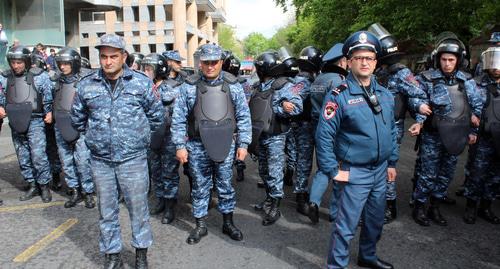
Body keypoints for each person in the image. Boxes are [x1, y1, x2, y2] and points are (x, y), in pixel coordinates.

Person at [71, 34, 164, 269]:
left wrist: (135, 137)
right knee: (107, 211)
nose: (108, 61)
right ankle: (112, 254)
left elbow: (156, 116)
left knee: (138, 209)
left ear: (124, 57)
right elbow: (77, 118)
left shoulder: (141, 83)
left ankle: (141, 253)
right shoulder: (86, 84)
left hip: (133, 159)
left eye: (113, 56)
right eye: (103, 56)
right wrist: (99, 137)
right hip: (101, 160)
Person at [316, 31, 397, 269]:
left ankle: (367, 256)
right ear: (349, 62)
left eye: (369, 58)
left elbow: (391, 129)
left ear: (375, 63)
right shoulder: (338, 95)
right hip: (354, 173)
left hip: (380, 171)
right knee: (345, 226)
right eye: (359, 57)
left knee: (374, 221)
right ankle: (336, 266)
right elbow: (324, 135)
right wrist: (332, 170)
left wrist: (391, 162)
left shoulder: (384, 94)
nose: (364, 62)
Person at [171, 44, 252, 244]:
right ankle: (200, 225)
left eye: (214, 62)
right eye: (206, 62)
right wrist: (180, 146)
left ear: (221, 63)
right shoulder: (189, 87)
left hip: (226, 142)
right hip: (198, 145)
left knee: (225, 184)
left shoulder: (233, 85)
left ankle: (228, 222)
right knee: (200, 186)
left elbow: (243, 116)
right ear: (200, 63)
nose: (209, 67)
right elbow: (179, 118)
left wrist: (243, 144)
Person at [409, 33, 483, 227]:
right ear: (437, 59)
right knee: (428, 173)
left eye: (451, 60)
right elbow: (417, 98)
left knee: (446, 173)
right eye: (444, 59)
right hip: (433, 136)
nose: (447, 63)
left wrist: (473, 133)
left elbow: (476, 108)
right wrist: (419, 112)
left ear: (459, 61)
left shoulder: (467, 81)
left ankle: (435, 206)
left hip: (456, 135)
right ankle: (419, 206)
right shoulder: (427, 79)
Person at [369, 23, 425, 223]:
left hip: (393, 125)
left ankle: (389, 206)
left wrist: (420, 119)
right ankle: (377, 201)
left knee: (387, 163)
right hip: (375, 124)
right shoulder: (380, 72)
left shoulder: (401, 73)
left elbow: (419, 96)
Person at [249, 50, 303, 226]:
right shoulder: (258, 86)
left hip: (276, 136)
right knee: (264, 171)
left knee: (274, 172)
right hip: (260, 135)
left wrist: (280, 108)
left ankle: (275, 206)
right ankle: (268, 199)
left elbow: (296, 108)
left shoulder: (284, 85)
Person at [0, 46, 54, 202]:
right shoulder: (4, 78)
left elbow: (47, 96)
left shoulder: (39, 76)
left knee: (38, 155)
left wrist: (49, 111)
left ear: (26, 61)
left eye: (19, 62)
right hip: (15, 120)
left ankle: (44, 186)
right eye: (13, 63)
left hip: (35, 120)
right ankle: (32, 184)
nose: (15, 66)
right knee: (23, 155)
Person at [307, 43, 348, 224]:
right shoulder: (339, 81)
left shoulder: (318, 79)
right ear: (341, 61)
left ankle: (314, 202)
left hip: (316, 126)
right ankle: (334, 211)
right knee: (337, 168)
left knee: (324, 165)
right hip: (334, 130)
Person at [51, 47, 95, 208]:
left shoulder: (85, 81)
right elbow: (50, 100)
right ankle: (74, 190)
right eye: (60, 64)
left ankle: (88, 192)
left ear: (74, 63)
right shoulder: (56, 81)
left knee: (83, 161)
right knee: (67, 161)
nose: (62, 67)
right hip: (61, 124)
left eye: (66, 64)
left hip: (81, 126)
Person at [463, 46, 500, 224]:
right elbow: (463, 105)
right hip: (482, 138)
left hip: (499, 138)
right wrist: (470, 116)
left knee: (495, 175)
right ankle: (471, 206)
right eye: (494, 62)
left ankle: (486, 207)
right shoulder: (474, 84)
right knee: (477, 173)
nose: (497, 67)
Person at [141, 53, 180, 224]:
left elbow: (176, 112)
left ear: (159, 70)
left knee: (169, 173)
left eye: (149, 68)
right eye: (145, 68)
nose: (146, 72)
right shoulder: (142, 88)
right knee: (155, 171)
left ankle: (170, 206)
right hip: (150, 137)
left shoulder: (171, 89)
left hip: (168, 137)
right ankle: (160, 200)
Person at [288, 46, 323, 216]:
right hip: (304, 126)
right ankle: (300, 196)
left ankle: (302, 191)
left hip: (306, 125)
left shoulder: (307, 78)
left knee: (304, 160)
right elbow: (293, 100)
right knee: (304, 161)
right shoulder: (303, 81)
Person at [222, 51, 249, 182]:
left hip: (233, 119)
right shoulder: (242, 81)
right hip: (234, 119)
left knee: (237, 146)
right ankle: (239, 167)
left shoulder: (238, 83)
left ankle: (238, 167)